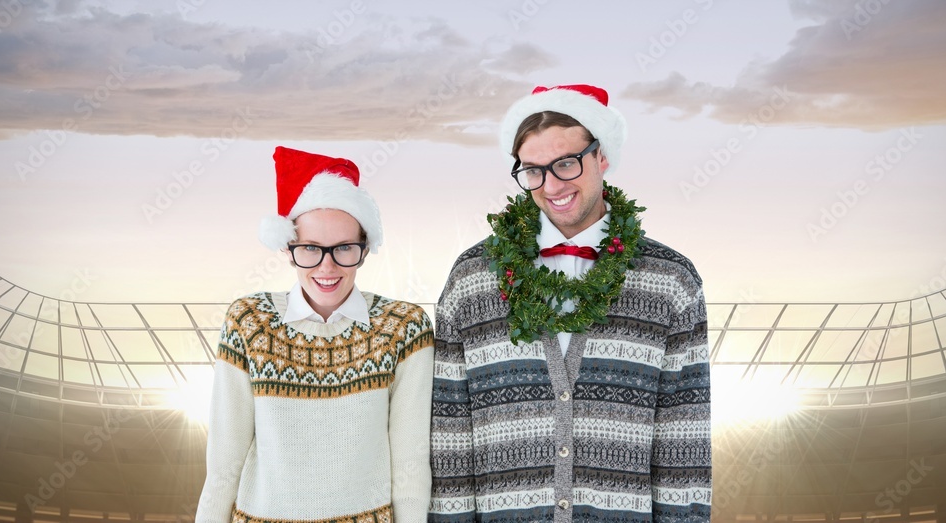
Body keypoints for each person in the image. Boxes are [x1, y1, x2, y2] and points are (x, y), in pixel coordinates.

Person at [429, 84, 711, 522]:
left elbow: (683, 442)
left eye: (566, 163)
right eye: (533, 171)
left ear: (602, 158)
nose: (551, 185)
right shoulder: (471, 278)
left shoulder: (670, 280)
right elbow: (450, 438)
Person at [197, 146, 434, 522]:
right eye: (310, 248)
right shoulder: (248, 321)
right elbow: (224, 464)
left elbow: (410, 465)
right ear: (289, 250)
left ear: (365, 247)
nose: (327, 266)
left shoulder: (403, 328)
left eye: (343, 248)